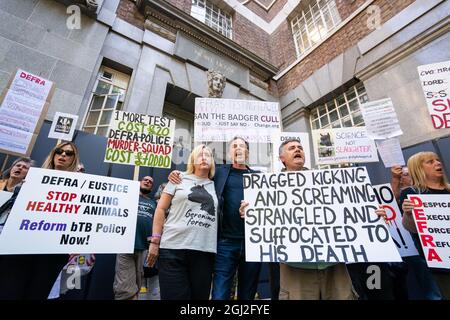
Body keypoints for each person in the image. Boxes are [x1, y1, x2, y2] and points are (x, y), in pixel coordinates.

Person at [240, 138, 357, 300]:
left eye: (300, 147)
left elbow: (351, 211)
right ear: (282, 158)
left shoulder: (326, 180)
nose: (297, 149)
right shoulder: (269, 188)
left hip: (334, 265)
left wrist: (372, 215)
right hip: (296, 268)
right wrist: (252, 214)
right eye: (292, 148)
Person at [168, 137, 262, 300]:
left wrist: (254, 210)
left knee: (247, 293)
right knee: (220, 293)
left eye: (242, 146)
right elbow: (196, 175)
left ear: (248, 152)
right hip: (225, 242)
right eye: (234, 146)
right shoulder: (218, 172)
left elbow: (268, 207)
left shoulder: (259, 177)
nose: (238, 149)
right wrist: (178, 174)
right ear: (230, 153)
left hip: (252, 242)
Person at [0, 142, 81, 299]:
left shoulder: (79, 187)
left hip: (51, 250)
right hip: (20, 246)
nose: (63, 155)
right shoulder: (31, 180)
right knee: (8, 290)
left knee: (37, 293)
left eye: (68, 153)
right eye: (59, 151)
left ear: (73, 159)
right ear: (53, 154)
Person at [147, 145, 218, 300]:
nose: (204, 157)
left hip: (204, 251)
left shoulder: (217, 185)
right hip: (173, 248)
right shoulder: (178, 178)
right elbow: (160, 209)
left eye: (208, 155)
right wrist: (155, 240)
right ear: (192, 160)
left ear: (213, 161)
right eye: (200, 155)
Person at [380, 151, 450, 299]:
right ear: (418, 169)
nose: (437, 163)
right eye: (430, 162)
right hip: (438, 261)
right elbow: (411, 228)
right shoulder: (412, 194)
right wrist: (409, 214)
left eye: (437, 160)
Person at [114, 176, 156, 300]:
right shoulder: (129, 198)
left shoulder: (153, 203)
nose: (148, 181)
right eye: (145, 180)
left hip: (144, 248)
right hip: (126, 245)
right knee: (124, 286)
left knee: (138, 284)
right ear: (138, 183)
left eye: (150, 182)